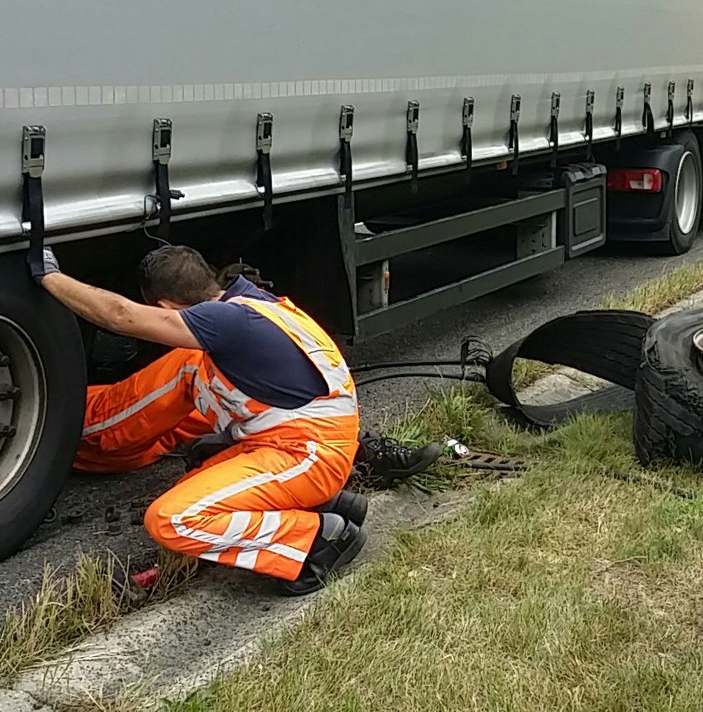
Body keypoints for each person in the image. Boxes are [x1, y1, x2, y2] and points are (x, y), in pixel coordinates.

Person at [30, 245, 439, 594]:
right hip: (304, 439)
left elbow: (120, 315)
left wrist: (48, 275)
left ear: (165, 308)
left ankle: (318, 538)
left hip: (306, 454)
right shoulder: (253, 303)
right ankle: (316, 502)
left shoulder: (225, 321)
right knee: (191, 371)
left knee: (172, 520)